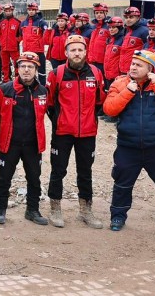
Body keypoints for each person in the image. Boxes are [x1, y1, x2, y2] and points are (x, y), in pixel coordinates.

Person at [103, 50, 155, 234]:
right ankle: (117, 217)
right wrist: (128, 91)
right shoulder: (121, 83)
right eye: (132, 63)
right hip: (127, 146)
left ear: (150, 69)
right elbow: (109, 109)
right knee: (122, 184)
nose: (133, 67)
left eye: (139, 65)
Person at [45, 34, 105, 229]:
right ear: (66, 52)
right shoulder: (57, 74)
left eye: (80, 49)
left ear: (86, 52)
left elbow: (100, 101)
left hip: (87, 133)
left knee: (85, 172)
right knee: (58, 170)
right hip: (62, 132)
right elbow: (50, 104)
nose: (77, 53)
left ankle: (86, 210)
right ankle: (55, 208)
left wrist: (88, 119)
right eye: (73, 50)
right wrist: (61, 121)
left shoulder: (95, 72)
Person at [0, 52, 49, 225]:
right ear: (17, 68)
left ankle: (32, 210)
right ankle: (0, 209)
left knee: (34, 178)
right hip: (9, 142)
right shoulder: (5, 89)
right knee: (4, 177)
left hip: (33, 144)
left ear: (36, 69)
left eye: (30, 67)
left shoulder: (43, 91)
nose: (26, 70)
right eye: (23, 66)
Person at [19, 2, 48, 84]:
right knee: (28, 70)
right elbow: (20, 35)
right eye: (29, 10)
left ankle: (42, 86)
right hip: (27, 51)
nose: (31, 11)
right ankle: (29, 85)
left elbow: (46, 35)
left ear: (36, 10)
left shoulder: (41, 22)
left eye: (33, 10)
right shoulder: (23, 23)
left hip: (38, 51)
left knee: (41, 71)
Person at [119, 7, 149, 75]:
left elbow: (147, 51)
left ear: (138, 18)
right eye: (126, 17)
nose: (128, 19)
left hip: (135, 70)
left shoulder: (144, 31)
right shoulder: (126, 30)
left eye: (131, 17)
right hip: (123, 69)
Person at [0, 4, 21, 82]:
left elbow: (21, 35)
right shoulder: (1, 22)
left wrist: (16, 40)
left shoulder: (18, 22)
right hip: (4, 48)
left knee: (16, 64)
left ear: (12, 11)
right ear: (4, 12)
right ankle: (6, 80)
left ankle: (18, 80)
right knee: (4, 65)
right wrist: (1, 41)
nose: (8, 12)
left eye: (9, 11)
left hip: (14, 48)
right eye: (6, 11)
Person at [87, 2, 112, 77]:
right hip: (92, 60)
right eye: (97, 13)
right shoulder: (93, 27)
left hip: (103, 62)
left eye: (101, 12)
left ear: (106, 13)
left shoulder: (109, 26)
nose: (99, 15)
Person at [102, 17, 126, 87]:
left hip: (117, 76)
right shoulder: (110, 39)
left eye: (113, 27)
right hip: (108, 75)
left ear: (119, 28)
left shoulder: (123, 40)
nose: (111, 29)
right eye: (109, 27)